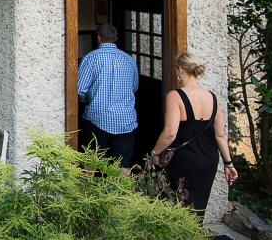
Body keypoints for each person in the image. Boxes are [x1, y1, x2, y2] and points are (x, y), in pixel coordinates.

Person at [148, 52, 238, 217]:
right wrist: (228, 164)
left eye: (176, 69)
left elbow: (170, 133)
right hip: (208, 161)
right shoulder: (213, 98)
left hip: (184, 161)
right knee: (197, 210)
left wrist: (154, 153)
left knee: (178, 208)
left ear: (181, 70)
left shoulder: (175, 96)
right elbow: (220, 136)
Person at [77, 22, 139, 174]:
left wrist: (86, 102)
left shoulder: (90, 59)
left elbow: (79, 90)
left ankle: (87, 193)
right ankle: (121, 196)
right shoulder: (129, 60)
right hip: (126, 119)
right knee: (123, 165)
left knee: (90, 161)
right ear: (116, 38)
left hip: (97, 118)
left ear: (98, 38)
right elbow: (134, 87)